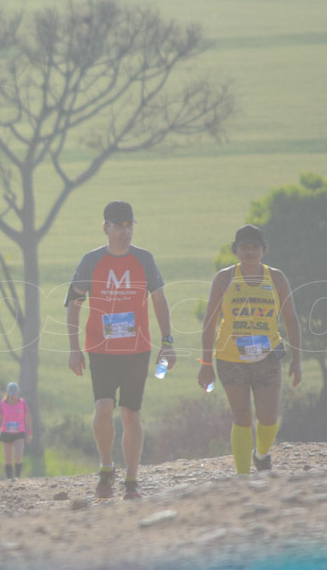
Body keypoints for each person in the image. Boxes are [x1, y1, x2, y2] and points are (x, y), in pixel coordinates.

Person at [66, 201, 176, 500]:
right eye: (118, 226)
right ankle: (105, 467)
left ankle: (131, 479)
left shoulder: (144, 259)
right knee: (103, 408)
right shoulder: (91, 261)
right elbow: (73, 305)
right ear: (106, 228)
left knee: (130, 414)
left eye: (129, 226)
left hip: (136, 349)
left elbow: (160, 301)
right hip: (100, 349)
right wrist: (74, 349)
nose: (125, 232)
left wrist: (167, 343)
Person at [198, 224, 302, 474]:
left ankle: (262, 454)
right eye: (244, 248)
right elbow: (210, 322)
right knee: (242, 417)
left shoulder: (276, 278)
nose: (249, 252)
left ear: (263, 250)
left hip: (267, 358)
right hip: (230, 357)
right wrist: (206, 364)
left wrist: (297, 360)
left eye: (254, 247)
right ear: (235, 251)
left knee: (268, 418)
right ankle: (243, 476)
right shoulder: (225, 278)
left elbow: (290, 319)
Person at [0, 382, 32, 481]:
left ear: (17, 393)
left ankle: (17, 476)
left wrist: (29, 433)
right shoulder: (3, 404)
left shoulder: (23, 403)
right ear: (8, 393)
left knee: (18, 456)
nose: (13, 396)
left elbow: (27, 419)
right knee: (8, 458)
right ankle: (9, 478)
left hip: (19, 433)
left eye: (14, 394)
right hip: (6, 433)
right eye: (11, 393)